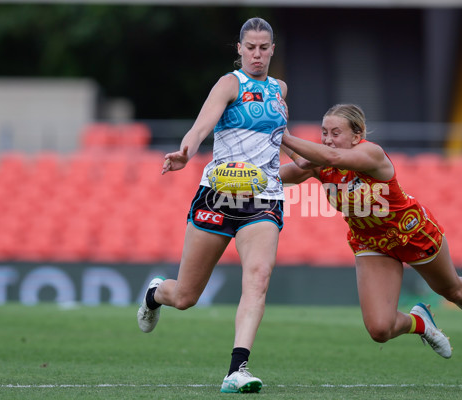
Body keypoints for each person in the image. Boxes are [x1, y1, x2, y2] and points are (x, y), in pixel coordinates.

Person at [280, 104, 462, 372]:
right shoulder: (321, 164)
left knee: (451, 290)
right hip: (370, 242)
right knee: (379, 329)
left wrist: (281, 133)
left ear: (357, 135)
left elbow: (330, 157)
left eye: (336, 132)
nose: (328, 139)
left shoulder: (370, 153)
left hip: (410, 233)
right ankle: (420, 323)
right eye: (324, 132)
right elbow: (280, 175)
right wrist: (233, 180)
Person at [137, 17, 288, 393]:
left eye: (263, 47)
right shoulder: (228, 83)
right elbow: (202, 125)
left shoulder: (281, 89)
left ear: (272, 49)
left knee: (258, 277)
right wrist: (187, 152)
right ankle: (155, 294)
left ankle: (238, 369)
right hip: (218, 195)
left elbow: (276, 143)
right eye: (249, 47)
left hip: (263, 198)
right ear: (239, 49)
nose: (256, 54)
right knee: (186, 296)